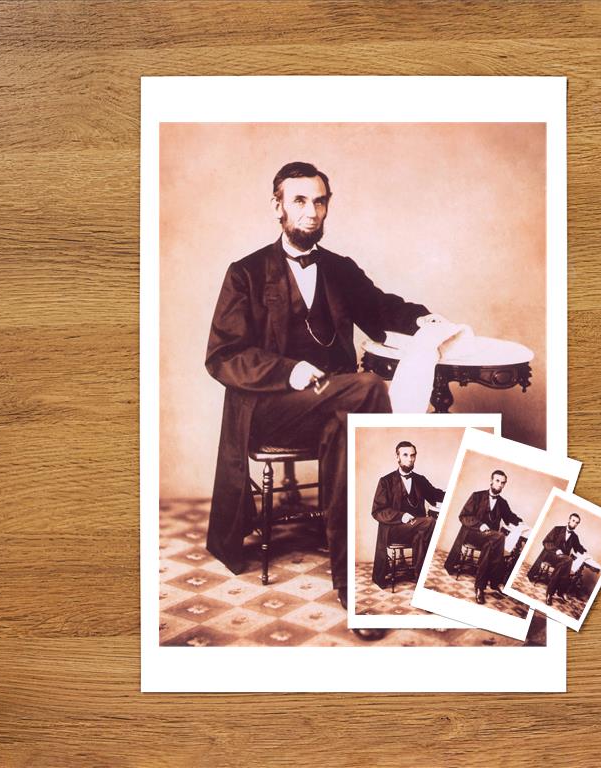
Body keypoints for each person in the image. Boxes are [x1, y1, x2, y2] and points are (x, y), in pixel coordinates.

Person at [204, 161, 445, 611]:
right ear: (277, 207)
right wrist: (288, 371)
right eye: (299, 201)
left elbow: (381, 308)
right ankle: (380, 523)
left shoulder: (339, 269)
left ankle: (349, 580)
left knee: (345, 422)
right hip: (270, 411)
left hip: (332, 405)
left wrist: (423, 320)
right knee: (368, 388)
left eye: (319, 201)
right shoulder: (246, 273)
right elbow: (222, 356)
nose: (311, 212)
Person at [370, 441, 445, 588]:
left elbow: (435, 495)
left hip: (417, 529)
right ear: (397, 457)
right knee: (430, 522)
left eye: (412, 455)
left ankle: (419, 576)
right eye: (405, 455)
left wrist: (451, 492)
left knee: (422, 532)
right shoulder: (386, 481)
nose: (410, 459)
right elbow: (377, 511)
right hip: (394, 529)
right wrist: (401, 516)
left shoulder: (420, 480)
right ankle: (421, 573)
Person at [443, 470, 522, 604]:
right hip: (472, 534)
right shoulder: (477, 496)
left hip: (490, 538)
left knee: (491, 545)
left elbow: (510, 517)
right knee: (500, 537)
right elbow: (463, 516)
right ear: (491, 481)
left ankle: (479, 587)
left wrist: (521, 523)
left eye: (503, 483)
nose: (500, 485)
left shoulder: (502, 503)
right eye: (497, 481)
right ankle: (496, 581)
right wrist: (479, 525)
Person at [527, 513, 587, 605]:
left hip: (562, 560)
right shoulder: (557, 529)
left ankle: (549, 594)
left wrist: (585, 553)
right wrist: (556, 550)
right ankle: (561, 591)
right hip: (551, 556)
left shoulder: (575, 537)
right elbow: (546, 542)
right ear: (569, 520)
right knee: (568, 561)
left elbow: (578, 547)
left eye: (577, 522)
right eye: (573, 521)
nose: (574, 523)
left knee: (565, 563)